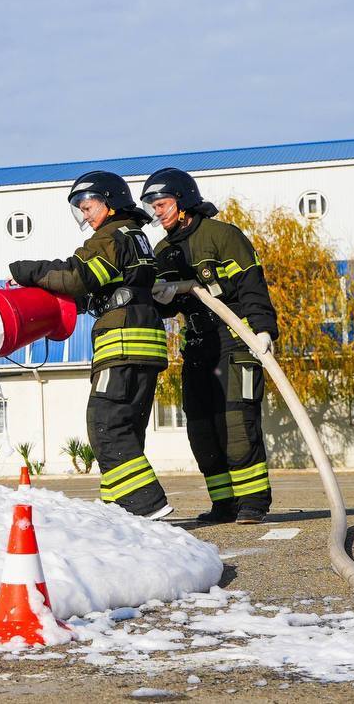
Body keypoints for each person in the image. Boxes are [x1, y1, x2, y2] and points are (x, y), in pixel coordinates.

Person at [10, 171, 172, 519]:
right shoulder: (137, 236)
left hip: (123, 341)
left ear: (109, 201)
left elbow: (76, 277)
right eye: (80, 209)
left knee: (105, 424)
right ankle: (119, 511)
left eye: (88, 206)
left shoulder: (110, 237)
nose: (85, 215)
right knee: (126, 428)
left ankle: (145, 505)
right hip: (147, 342)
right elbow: (103, 289)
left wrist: (26, 270)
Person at [139, 167, 278, 525]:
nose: (157, 212)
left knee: (236, 422)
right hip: (198, 346)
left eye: (162, 204)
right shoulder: (164, 250)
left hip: (236, 340)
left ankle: (252, 503)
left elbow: (251, 285)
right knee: (202, 427)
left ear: (183, 202)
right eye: (153, 206)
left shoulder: (223, 236)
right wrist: (161, 296)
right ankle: (224, 503)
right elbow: (169, 305)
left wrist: (263, 330)